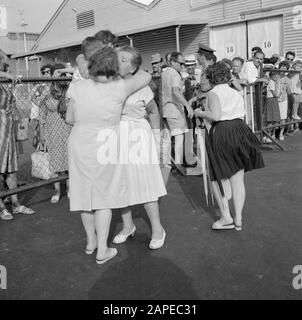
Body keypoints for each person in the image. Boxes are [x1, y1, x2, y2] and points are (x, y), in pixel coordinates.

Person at [66, 47, 152, 264]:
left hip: (79, 142)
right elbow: (146, 75)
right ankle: (102, 249)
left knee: (84, 195)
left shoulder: (76, 86)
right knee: (103, 198)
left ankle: (90, 242)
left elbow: (69, 118)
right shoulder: (119, 87)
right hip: (105, 144)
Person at [194, 62, 264, 230]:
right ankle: (238, 219)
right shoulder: (235, 92)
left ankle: (226, 217)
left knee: (217, 176)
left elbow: (216, 116)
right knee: (238, 180)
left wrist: (200, 112)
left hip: (223, 132)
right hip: (240, 130)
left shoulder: (213, 93)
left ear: (211, 77)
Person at [112, 45, 166, 249]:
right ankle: (128, 226)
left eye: (123, 59)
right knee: (120, 184)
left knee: (145, 183)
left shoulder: (142, 86)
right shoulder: (109, 85)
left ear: (134, 68)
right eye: (117, 58)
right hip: (115, 137)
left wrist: (157, 137)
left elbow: (153, 112)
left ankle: (158, 229)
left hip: (138, 137)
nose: (118, 61)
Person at [34, 64, 72, 203]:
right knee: (55, 162)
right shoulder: (46, 92)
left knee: (69, 160)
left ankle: (69, 189)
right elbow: (41, 115)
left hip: (68, 128)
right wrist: (42, 135)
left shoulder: (69, 89)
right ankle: (57, 191)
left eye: (61, 73)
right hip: (52, 130)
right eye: (56, 73)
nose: (59, 75)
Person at [0, 67, 35, 220]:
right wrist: (7, 75)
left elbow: (11, 103)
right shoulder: (5, 77)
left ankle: (15, 204)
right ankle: (1, 207)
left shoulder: (4, 83)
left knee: (11, 169)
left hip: (7, 129)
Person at [162, 52, 194, 167]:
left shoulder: (165, 73)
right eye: (181, 63)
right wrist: (188, 106)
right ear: (173, 62)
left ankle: (166, 164)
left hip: (165, 109)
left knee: (167, 138)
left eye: (183, 64)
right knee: (179, 137)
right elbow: (176, 91)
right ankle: (178, 164)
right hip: (174, 109)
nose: (183, 66)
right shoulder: (175, 74)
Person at [263, 71, 281, 141]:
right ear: (271, 76)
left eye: (277, 75)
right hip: (271, 101)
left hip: (273, 100)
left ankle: (268, 135)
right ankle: (267, 136)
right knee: (270, 119)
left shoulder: (274, 82)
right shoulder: (271, 82)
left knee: (273, 119)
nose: (276, 76)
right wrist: (278, 93)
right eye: (274, 75)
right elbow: (276, 94)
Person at [278, 61, 291, 140]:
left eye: (285, 68)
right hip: (275, 99)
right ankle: (272, 133)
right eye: (281, 67)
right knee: (275, 117)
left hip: (283, 100)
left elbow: (289, 92)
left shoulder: (288, 79)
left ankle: (281, 133)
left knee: (283, 117)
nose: (283, 70)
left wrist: (289, 87)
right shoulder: (274, 76)